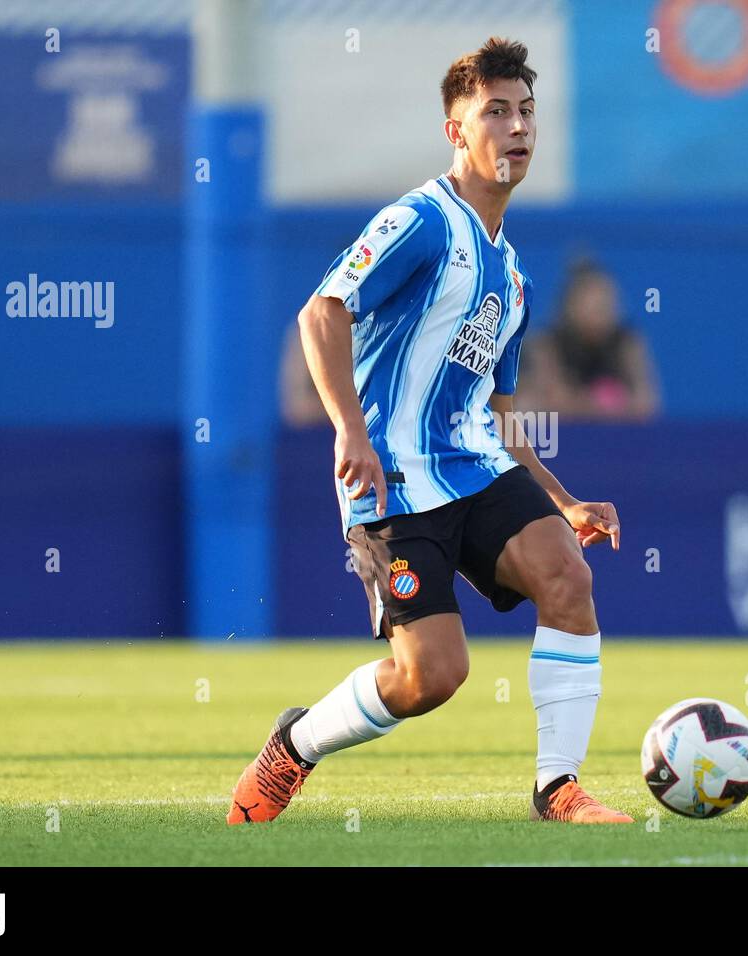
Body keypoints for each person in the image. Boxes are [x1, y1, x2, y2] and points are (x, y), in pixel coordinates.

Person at [227, 38, 632, 826]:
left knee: (567, 575)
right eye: (495, 112)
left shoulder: (511, 276)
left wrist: (564, 500)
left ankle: (558, 789)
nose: (516, 127)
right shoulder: (421, 221)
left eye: (526, 112)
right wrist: (350, 428)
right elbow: (321, 311)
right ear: (455, 130)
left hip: (475, 467)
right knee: (433, 676)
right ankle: (295, 745)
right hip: (392, 481)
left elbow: (501, 417)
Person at [520, 261, 660, 420]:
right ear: (570, 305)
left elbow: (646, 403)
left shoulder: (627, 344)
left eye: (604, 303)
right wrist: (600, 405)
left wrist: (606, 404)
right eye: (591, 303)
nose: (599, 312)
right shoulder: (545, 344)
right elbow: (554, 402)